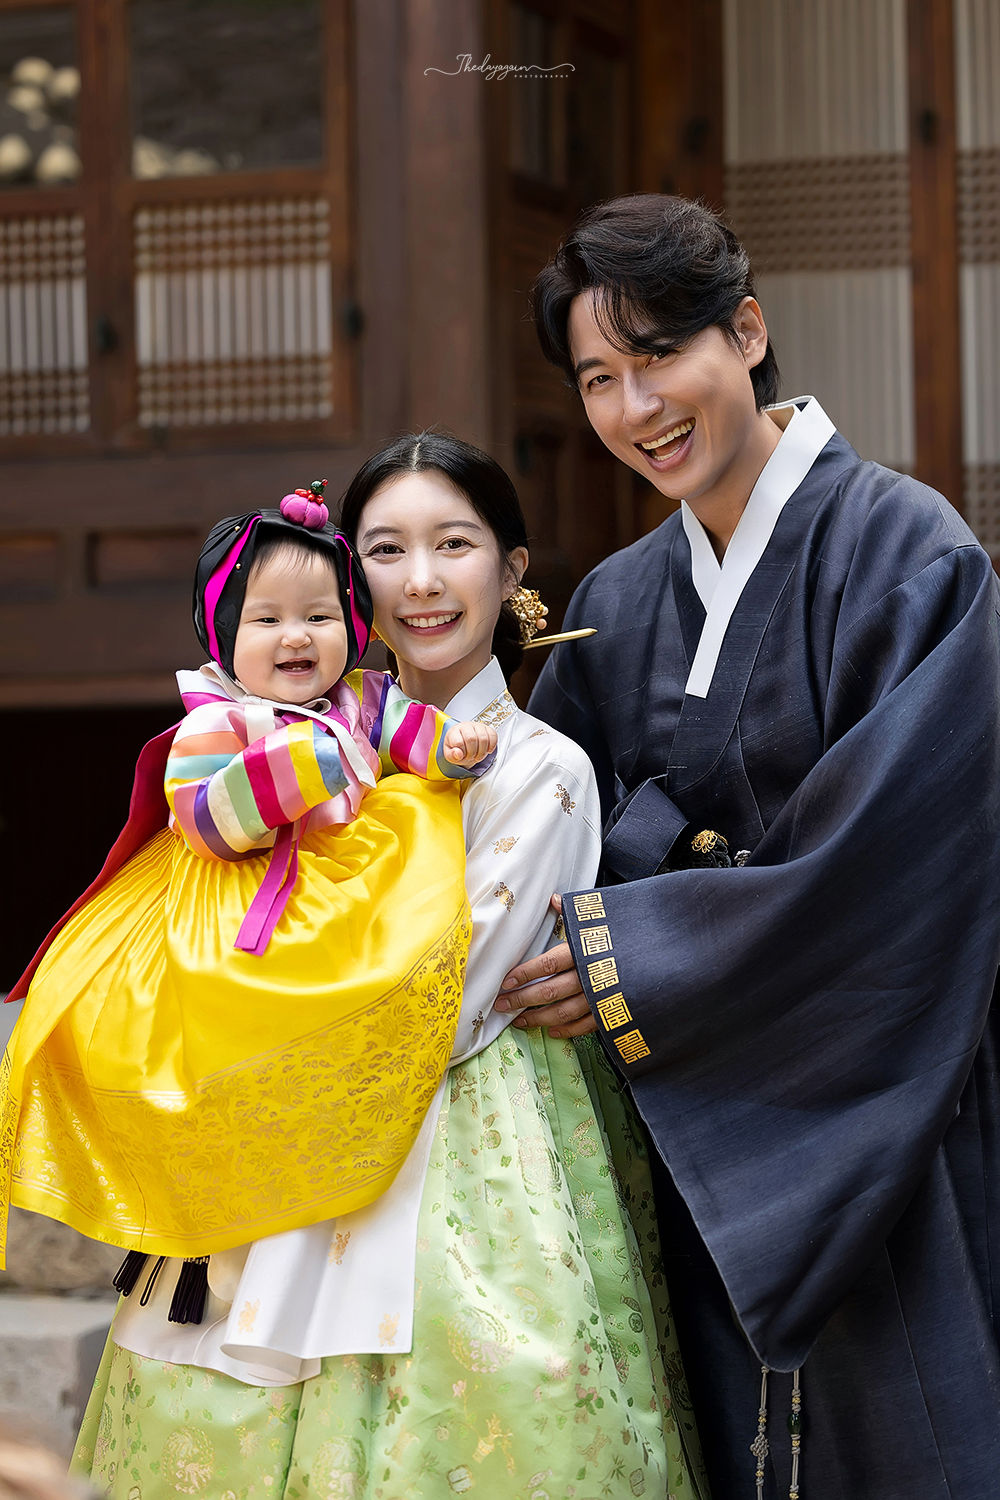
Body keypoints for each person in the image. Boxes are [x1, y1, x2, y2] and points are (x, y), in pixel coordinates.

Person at [65, 435, 705, 1498]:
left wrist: (261, 1019)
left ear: (511, 569)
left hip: (453, 1123)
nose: (420, 582)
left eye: (453, 545)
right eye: (386, 550)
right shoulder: (287, 735)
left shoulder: (539, 766)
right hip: (284, 1114)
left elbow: (455, 992)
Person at [504, 194, 1000, 1499]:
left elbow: (902, 862)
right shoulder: (612, 604)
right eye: (597, 379)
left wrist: (636, 947)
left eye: (659, 354)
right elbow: (550, 846)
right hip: (691, 1114)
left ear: (748, 331)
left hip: (875, 1099)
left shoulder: (912, 553)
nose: (636, 408)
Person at [1, 486, 498, 1297]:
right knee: (240, 1047)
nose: (295, 636)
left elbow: (415, 737)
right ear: (224, 637)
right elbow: (204, 819)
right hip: (246, 910)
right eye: (266, 619)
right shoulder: (218, 723)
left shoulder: (366, 700)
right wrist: (298, 768)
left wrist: (458, 747)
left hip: (346, 896)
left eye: (319, 616)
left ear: (353, 628)